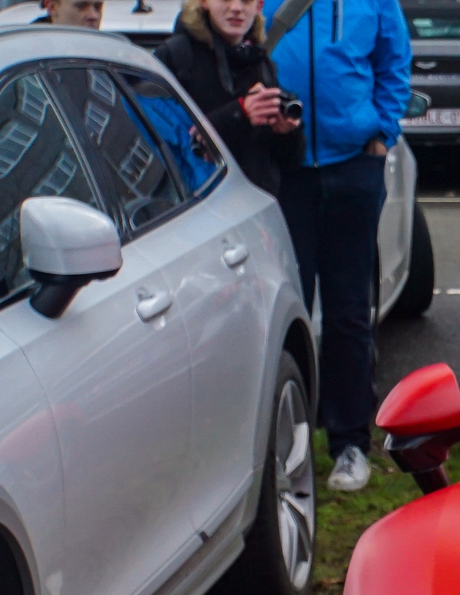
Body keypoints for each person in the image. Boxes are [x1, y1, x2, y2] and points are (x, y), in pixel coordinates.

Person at [268, 0, 412, 493]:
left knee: (349, 311)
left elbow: (394, 61)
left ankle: (350, 444)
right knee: (288, 313)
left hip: (353, 166)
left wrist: (382, 132)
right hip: (285, 171)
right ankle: (289, 440)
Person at [155, 0, 299, 199]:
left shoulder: (260, 61)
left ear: (258, 7)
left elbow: (286, 161)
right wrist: (240, 112)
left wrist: (288, 132)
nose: (236, 8)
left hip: (256, 205)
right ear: (204, 2)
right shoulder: (177, 56)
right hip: (199, 208)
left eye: (246, 1)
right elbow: (164, 142)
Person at [37, 0, 101, 24]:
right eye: (81, 6)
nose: (94, 16)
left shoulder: (107, 48)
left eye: (97, 7)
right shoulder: (30, 48)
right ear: (52, 8)